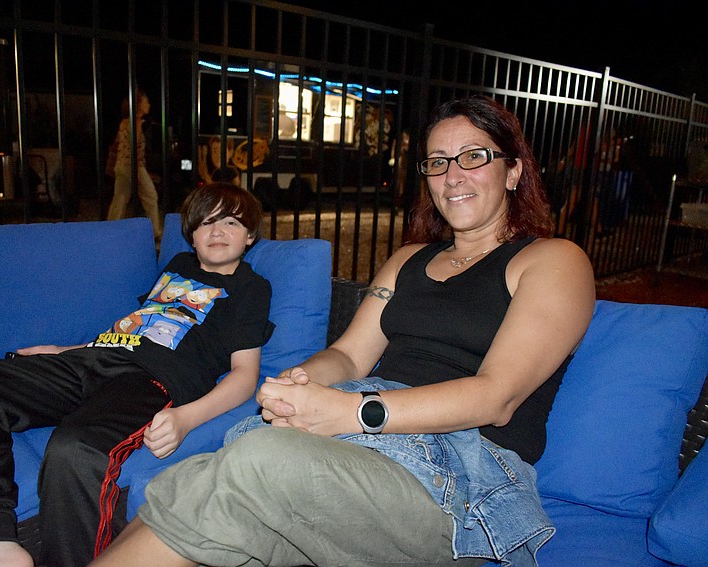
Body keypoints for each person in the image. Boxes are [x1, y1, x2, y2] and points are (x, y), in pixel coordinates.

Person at [90, 95, 597, 567]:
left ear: (513, 171)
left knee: (256, 457)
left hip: (460, 471)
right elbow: (351, 358)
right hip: (367, 446)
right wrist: (302, 381)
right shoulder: (406, 261)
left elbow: (497, 397)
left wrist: (351, 411)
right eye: (438, 162)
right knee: (210, 486)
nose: (452, 175)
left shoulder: (553, 260)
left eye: (473, 156)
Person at [0, 183, 275, 567]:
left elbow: (245, 376)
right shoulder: (178, 266)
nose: (217, 231)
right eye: (206, 222)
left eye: (230, 222)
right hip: (93, 360)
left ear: (251, 235)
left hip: (149, 382)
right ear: (191, 235)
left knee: (74, 450)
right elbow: (137, 329)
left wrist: (185, 419)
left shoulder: (250, 288)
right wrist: (65, 350)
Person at [107, 89, 163, 240]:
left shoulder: (125, 122)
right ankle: (155, 231)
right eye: (146, 101)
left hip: (122, 165)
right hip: (133, 167)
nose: (149, 104)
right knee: (150, 196)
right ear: (139, 104)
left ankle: (110, 228)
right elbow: (135, 144)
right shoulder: (134, 122)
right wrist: (139, 125)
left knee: (120, 197)